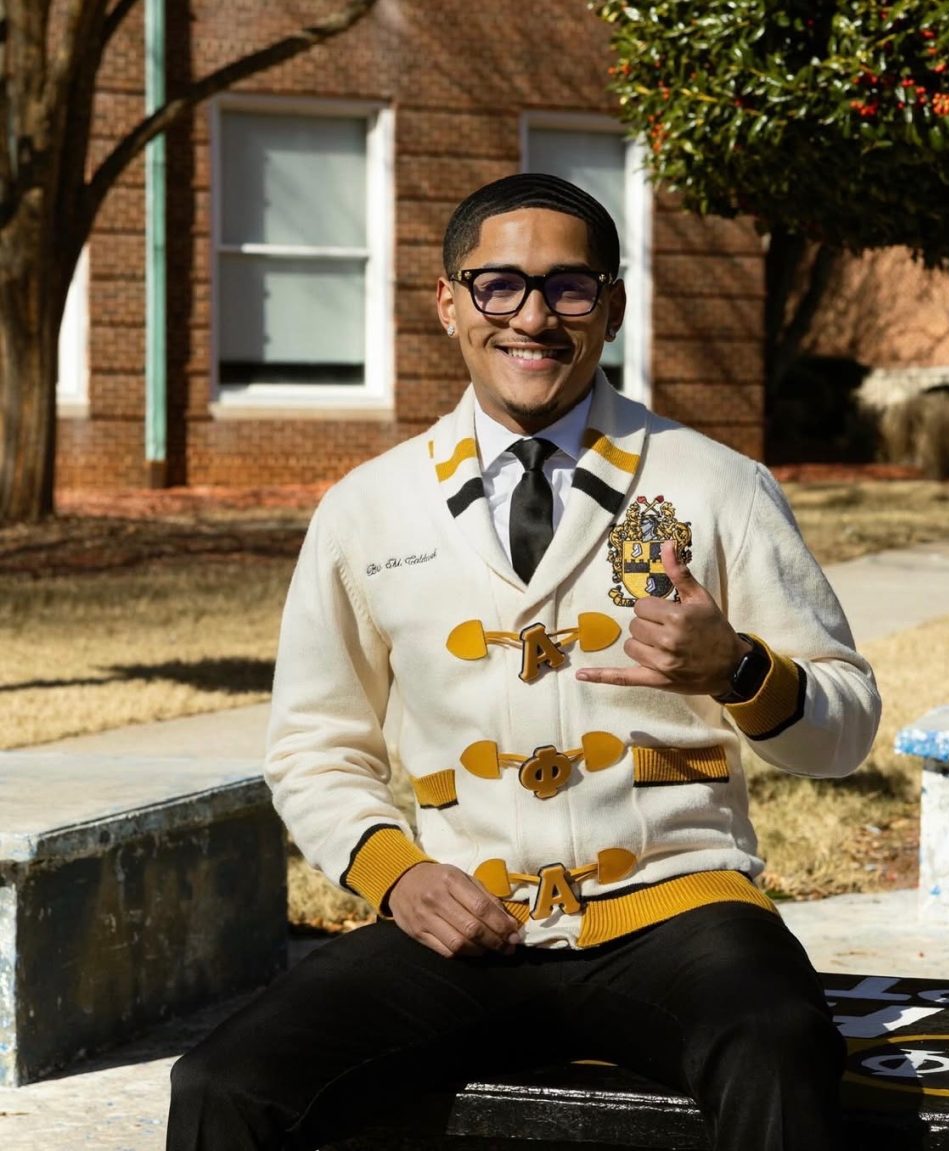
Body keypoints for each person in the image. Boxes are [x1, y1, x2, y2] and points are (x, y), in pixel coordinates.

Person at [167, 172, 881, 1151]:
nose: (533, 317)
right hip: (461, 924)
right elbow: (312, 746)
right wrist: (398, 875)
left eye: (569, 287)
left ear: (612, 308)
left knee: (776, 1038)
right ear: (448, 302)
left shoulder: (717, 486)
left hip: (679, 915)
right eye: (498, 284)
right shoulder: (367, 509)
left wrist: (740, 670)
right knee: (223, 1081)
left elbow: (845, 727)